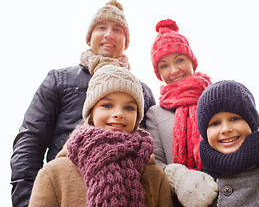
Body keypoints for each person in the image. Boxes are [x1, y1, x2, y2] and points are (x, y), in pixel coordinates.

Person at [146, 19, 259, 207]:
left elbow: (247, 135)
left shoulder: (217, 96)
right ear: (158, 72)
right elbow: (155, 163)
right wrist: (180, 178)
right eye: (164, 65)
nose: (174, 70)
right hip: (183, 199)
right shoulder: (155, 113)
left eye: (179, 60)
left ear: (192, 61)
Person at [10, 0, 156, 207]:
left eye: (118, 29)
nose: (109, 34)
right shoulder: (60, 79)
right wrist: (29, 200)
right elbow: (31, 139)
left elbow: (153, 148)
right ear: (89, 37)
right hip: (67, 191)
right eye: (101, 27)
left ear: (126, 41)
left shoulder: (142, 91)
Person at [28, 64, 172, 207]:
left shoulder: (155, 175)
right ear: (91, 112)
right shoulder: (54, 173)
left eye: (129, 107)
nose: (119, 114)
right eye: (107, 105)